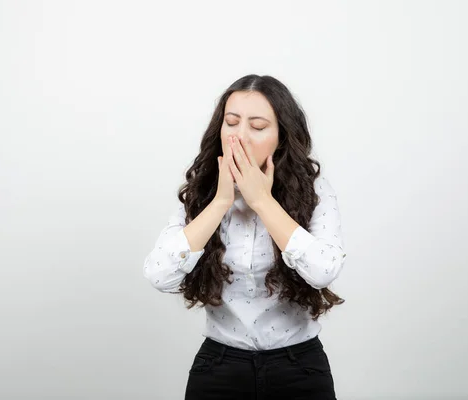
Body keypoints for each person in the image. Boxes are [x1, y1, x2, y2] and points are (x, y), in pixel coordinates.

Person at [143, 74, 346, 400]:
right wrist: (221, 201)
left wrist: (262, 202)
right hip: (220, 366)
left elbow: (323, 271)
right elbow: (158, 274)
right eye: (232, 122)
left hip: (299, 368)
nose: (240, 136)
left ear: (281, 135)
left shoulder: (314, 190)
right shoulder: (202, 191)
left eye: (258, 126)